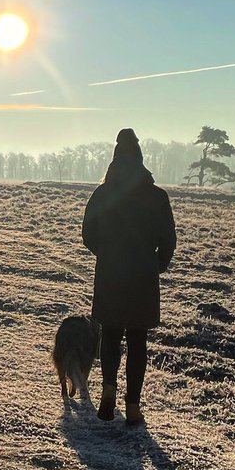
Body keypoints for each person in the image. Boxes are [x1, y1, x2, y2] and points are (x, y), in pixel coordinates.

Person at [81, 128, 176, 424]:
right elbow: (169, 239)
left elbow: (87, 234)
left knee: (110, 333)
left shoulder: (102, 193)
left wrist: (106, 254)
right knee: (138, 341)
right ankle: (133, 407)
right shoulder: (157, 196)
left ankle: (108, 389)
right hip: (143, 276)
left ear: (115, 158)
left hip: (111, 272)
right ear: (141, 158)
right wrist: (155, 264)